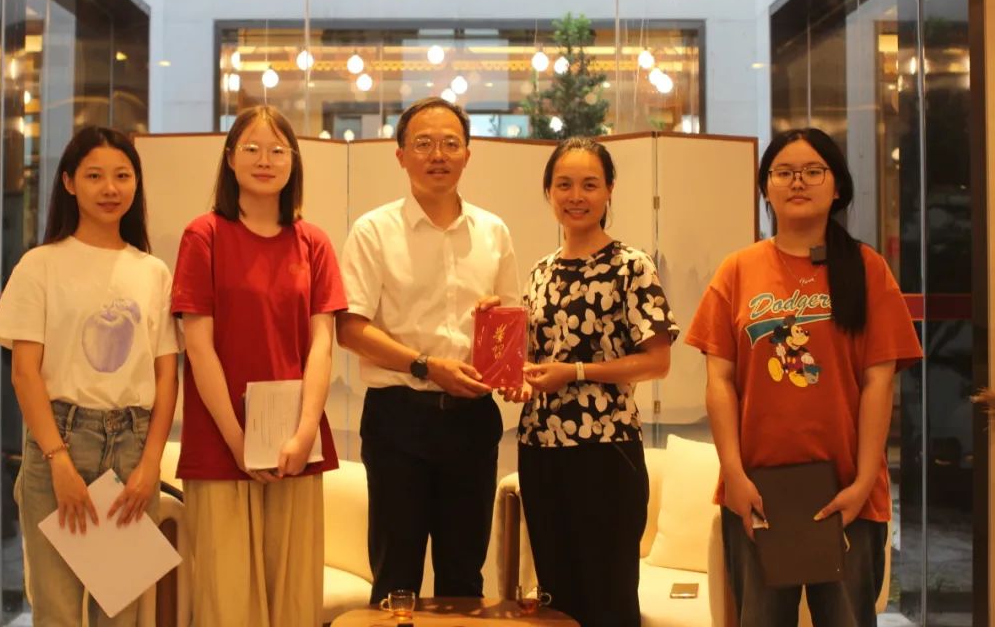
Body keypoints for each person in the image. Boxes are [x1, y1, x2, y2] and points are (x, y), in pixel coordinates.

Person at [686, 127, 922, 627]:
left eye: (814, 171)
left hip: (848, 494)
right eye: (784, 172)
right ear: (766, 187)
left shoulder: (867, 269)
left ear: (837, 187)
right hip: (758, 495)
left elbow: (878, 383)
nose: (798, 182)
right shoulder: (737, 270)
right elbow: (720, 382)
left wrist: (863, 483)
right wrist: (734, 475)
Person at [0, 126, 180, 626]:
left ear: (136, 183)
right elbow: (25, 374)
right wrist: (59, 462)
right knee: (57, 610)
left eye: (122, 176)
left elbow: (166, 377)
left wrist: (150, 464)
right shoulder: (40, 265)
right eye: (94, 176)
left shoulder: (153, 272)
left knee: (121, 612)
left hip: (132, 446)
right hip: (60, 439)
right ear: (69, 183)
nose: (110, 188)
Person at [336, 96, 520, 603]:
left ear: (467, 154)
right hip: (398, 418)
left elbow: (510, 323)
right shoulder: (374, 231)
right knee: (396, 576)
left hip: (473, 418)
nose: (438, 154)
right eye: (423, 144)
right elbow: (350, 328)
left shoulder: (493, 232)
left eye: (450, 143)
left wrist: (500, 342)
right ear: (400, 155)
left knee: (464, 577)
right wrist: (425, 366)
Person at [171, 105, 346, 626]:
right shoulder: (203, 235)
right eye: (251, 148)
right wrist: (236, 440)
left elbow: (322, 344)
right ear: (230, 158)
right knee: (227, 602)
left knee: (293, 599)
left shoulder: (313, 242)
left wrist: (304, 431)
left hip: (295, 443)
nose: (264, 160)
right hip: (220, 441)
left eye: (276, 150)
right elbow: (198, 346)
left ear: (293, 162)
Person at [507, 137, 677, 627]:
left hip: (606, 449)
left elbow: (657, 361)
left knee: (608, 594)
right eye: (564, 184)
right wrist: (515, 376)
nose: (576, 196)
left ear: (609, 191)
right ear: (548, 191)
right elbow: (532, 360)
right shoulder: (540, 273)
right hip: (540, 448)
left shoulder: (631, 266)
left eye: (589, 184)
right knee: (556, 595)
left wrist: (576, 373)